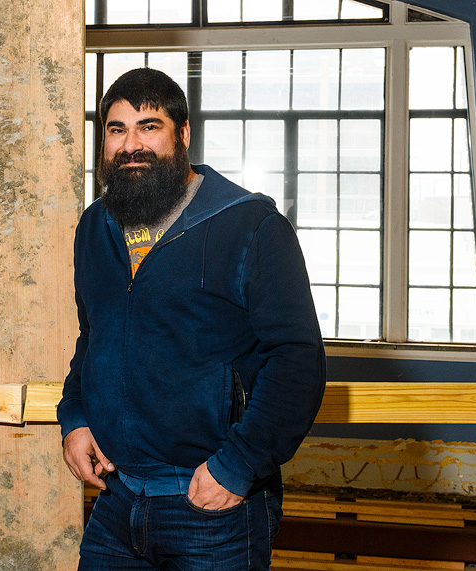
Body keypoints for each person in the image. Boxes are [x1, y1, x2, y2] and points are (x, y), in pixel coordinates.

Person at [58, 68, 327, 571]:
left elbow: (297, 359)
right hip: (116, 503)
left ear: (183, 134)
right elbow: (93, 336)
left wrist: (238, 466)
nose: (130, 144)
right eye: (117, 130)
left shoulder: (251, 225)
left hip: (212, 507)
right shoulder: (95, 225)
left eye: (148, 126)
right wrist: (74, 418)